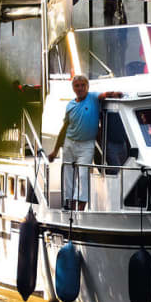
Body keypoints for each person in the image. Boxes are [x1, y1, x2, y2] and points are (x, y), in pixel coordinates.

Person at [48, 74, 122, 211]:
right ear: (73, 88)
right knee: (68, 175)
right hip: (69, 143)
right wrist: (55, 151)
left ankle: (81, 208)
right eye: (77, 86)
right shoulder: (70, 105)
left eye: (83, 85)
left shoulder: (93, 97)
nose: (80, 88)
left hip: (87, 144)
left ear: (87, 86)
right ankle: (70, 205)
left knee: (83, 175)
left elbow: (104, 95)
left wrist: (114, 94)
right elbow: (64, 129)